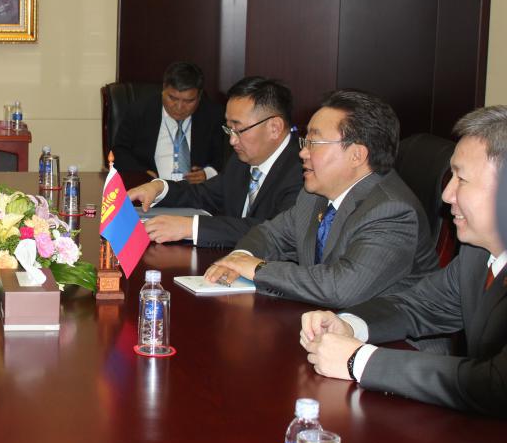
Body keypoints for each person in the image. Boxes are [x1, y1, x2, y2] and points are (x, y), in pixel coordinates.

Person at [301, 106, 507, 417]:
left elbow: (496, 385)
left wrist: (360, 361)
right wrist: (349, 325)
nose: (447, 195)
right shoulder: (477, 254)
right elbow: (419, 305)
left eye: (461, 179)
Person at [203, 90, 439, 307]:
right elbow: (269, 234)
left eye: (313, 143)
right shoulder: (314, 195)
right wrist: (240, 258)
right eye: (305, 142)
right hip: (323, 321)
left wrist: (258, 269)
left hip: (382, 335)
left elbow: (341, 288)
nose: (302, 152)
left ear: (356, 155)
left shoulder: (391, 211)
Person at [128, 76, 303, 247]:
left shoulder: (303, 172)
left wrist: (191, 227)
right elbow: (204, 195)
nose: (232, 140)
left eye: (239, 129)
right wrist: (159, 188)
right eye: (229, 128)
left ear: (274, 128)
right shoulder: (242, 160)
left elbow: (275, 231)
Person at [111, 62, 227, 182]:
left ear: (199, 96)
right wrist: (142, 172)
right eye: (172, 98)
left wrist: (208, 173)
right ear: (163, 89)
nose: (179, 107)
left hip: (197, 190)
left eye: (188, 101)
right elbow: (119, 151)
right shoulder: (140, 111)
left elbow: (225, 156)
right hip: (151, 188)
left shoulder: (214, 116)